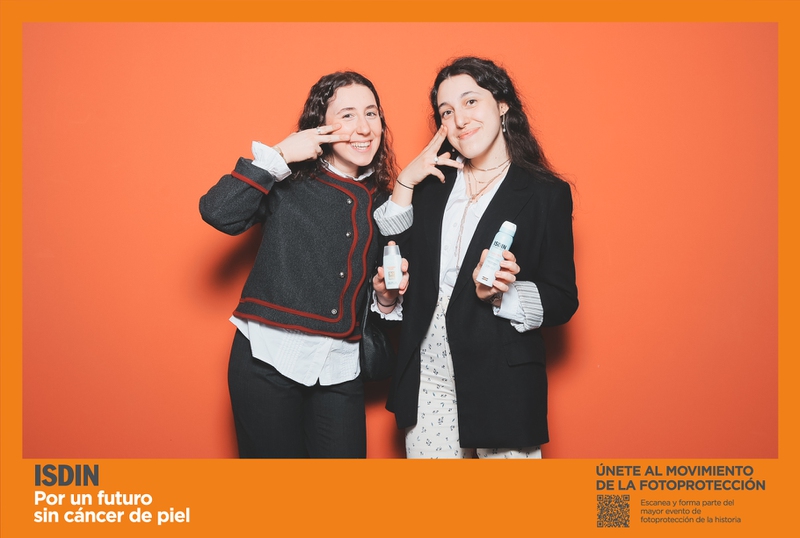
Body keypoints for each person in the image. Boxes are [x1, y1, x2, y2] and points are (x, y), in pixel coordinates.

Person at [373, 56, 578, 459]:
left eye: (470, 102)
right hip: (428, 376)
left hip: (501, 378)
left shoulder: (545, 193)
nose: (459, 119)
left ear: (502, 105)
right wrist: (405, 182)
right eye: (446, 112)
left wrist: (503, 294)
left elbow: (562, 298)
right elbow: (395, 262)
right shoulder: (431, 185)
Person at [200, 71, 404, 458]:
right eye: (347, 115)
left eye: (371, 113)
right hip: (267, 358)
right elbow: (218, 212)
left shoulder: (385, 202)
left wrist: (386, 299)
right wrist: (279, 155)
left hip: (340, 367)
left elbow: (386, 295)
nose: (363, 128)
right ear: (320, 126)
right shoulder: (287, 180)